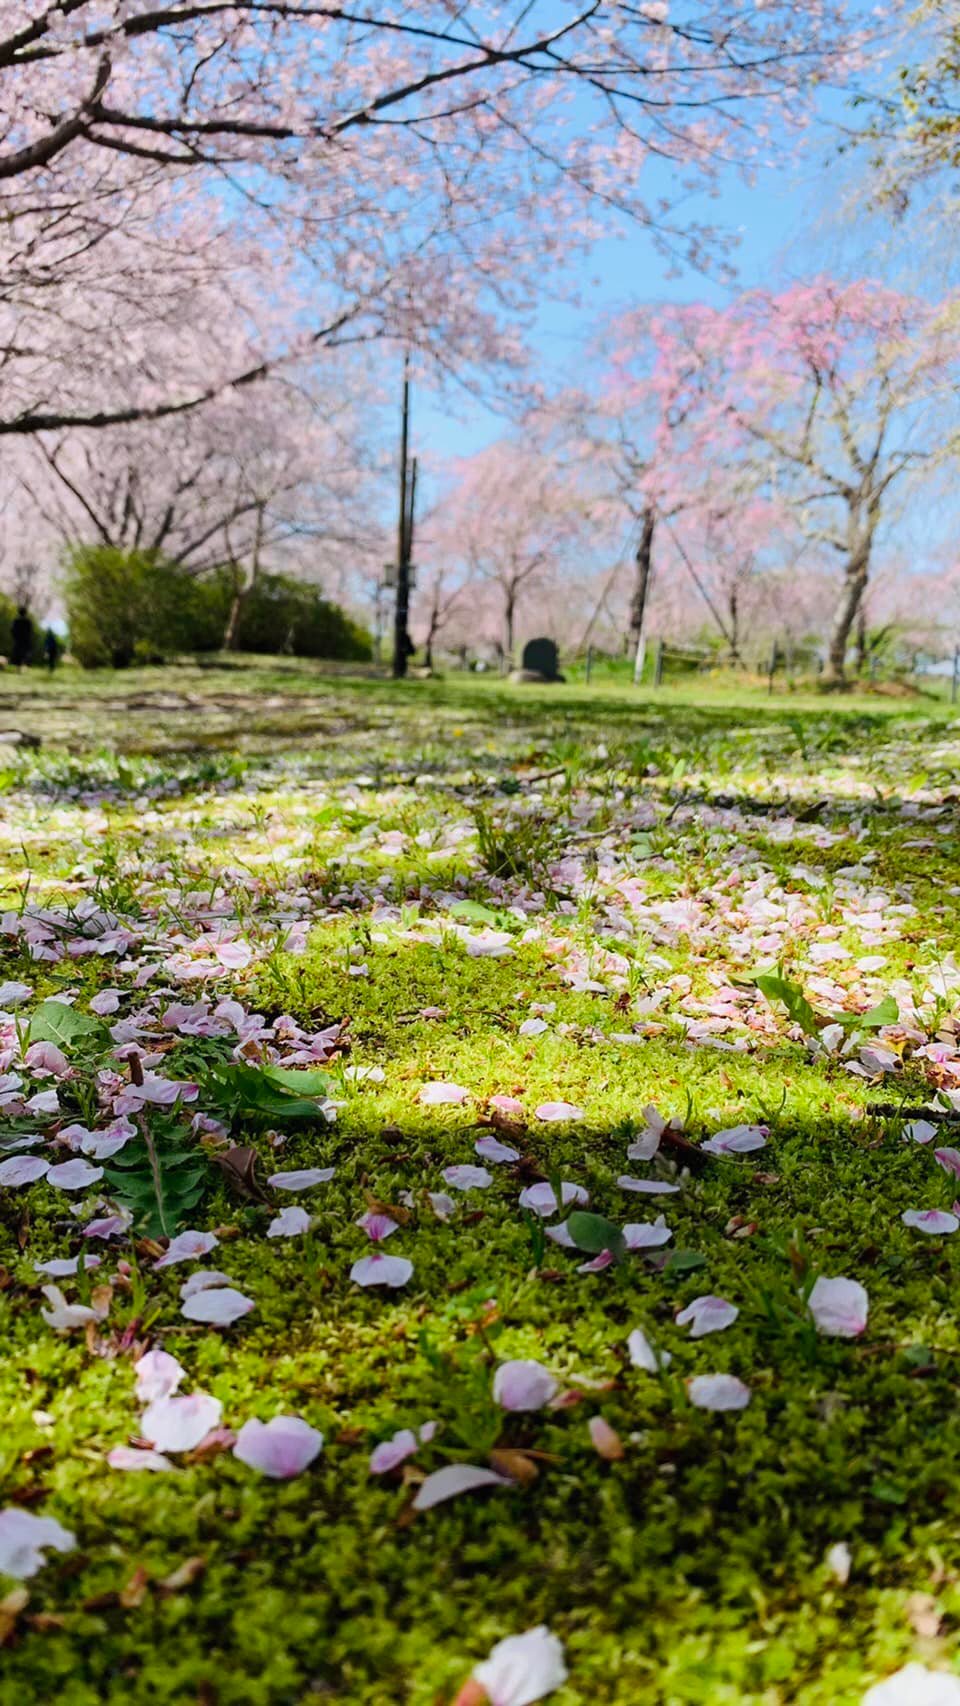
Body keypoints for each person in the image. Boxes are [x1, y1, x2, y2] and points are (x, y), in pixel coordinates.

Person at [11, 605, 33, 671]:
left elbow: (12, 630)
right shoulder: (28, 621)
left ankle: (19, 667)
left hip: (18, 640)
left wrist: (15, 637)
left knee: (18, 653)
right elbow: (30, 631)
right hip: (25, 640)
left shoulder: (16, 620)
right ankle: (24, 666)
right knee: (25, 653)